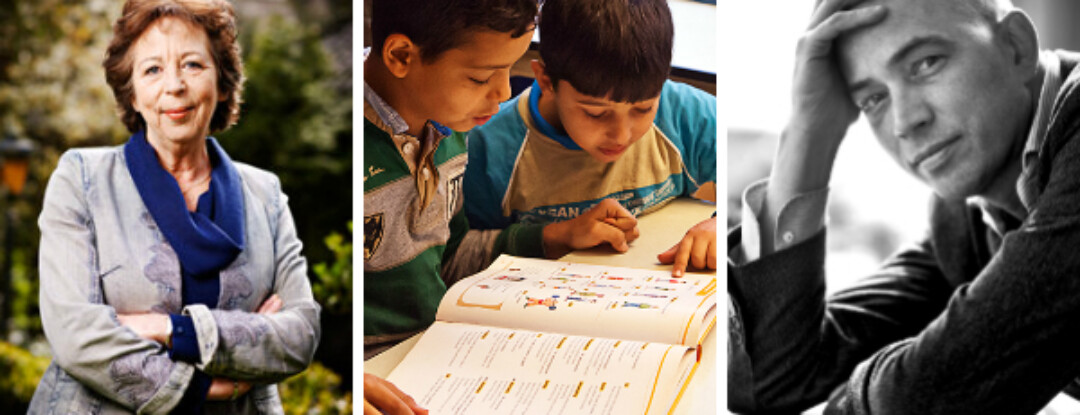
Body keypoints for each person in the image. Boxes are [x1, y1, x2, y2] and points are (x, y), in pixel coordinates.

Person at [728, 0, 1080, 413]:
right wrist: (809, 131)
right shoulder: (965, 221)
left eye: (926, 63)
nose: (903, 121)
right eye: (873, 99)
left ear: (1016, 46)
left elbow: (916, 400)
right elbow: (770, 378)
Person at [30, 0, 320, 413]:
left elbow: (299, 335)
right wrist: (202, 386)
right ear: (132, 94)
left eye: (192, 65)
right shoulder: (81, 179)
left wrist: (170, 329)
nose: (174, 86)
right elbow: (75, 334)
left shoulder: (265, 194)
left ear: (222, 84)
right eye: (152, 70)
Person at [362, 0, 643, 413]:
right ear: (402, 56)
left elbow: (451, 257)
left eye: (510, 69)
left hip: (438, 357)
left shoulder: (450, 129)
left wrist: (552, 237)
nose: (503, 93)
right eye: (480, 78)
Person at [462, 0, 718, 277]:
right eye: (596, 114)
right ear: (546, 81)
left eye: (643, 109)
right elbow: (459, 253)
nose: (621, 135)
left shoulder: (684, 115)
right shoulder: (486, 149)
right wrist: (554, 236)